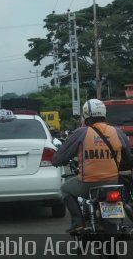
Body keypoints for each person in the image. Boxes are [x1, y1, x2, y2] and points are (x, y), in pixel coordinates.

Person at [52, 98, 131, 234]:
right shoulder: (118, 133)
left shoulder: (81, 132)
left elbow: (59, 158)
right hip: (113, 182)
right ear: (104, 113)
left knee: (65, 189)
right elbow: (127, 156)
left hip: (88, 183)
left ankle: (78, 222)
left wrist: (57, 161)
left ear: (86, 115)